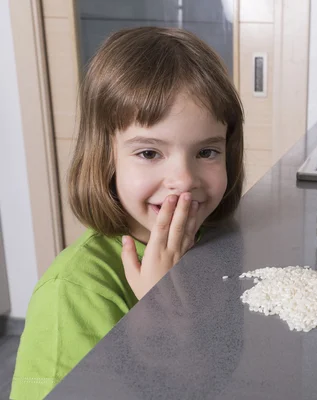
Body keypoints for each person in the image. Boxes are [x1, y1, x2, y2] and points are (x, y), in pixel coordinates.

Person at [10, 26, 244, 400]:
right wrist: (161, 316)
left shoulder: (210, 244)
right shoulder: (74, 294)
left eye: (206, 152)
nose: (184, 180)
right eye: (149, 153)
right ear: (106, 158)